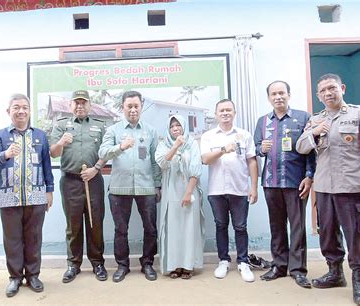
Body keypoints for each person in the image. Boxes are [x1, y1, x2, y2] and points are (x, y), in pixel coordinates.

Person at [297, 73, 360, 305]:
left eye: (332, 88)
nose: (328, 93)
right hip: (323, 187)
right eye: (322, 91)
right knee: (328, 233)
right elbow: (301, 147)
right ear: (318, 95)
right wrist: (314, 132)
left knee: (356, 236)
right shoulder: (315, 119)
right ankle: (335, 273)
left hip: (352, 186)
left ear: (341, 88)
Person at [0, 93, 54, 298]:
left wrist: (49, 190)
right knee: (12, 239)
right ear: (9, 111)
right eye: (16, 107)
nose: (21, 111)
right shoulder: (0, 136)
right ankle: (15, 277)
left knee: (33, 237)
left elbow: (46, 165)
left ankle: (33, 275)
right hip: (9, 197)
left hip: (36, 195)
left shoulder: (40, 135)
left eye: (25, 107)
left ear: (29, 111)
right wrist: (5, 154)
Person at [254, 80, 316, 289]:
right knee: (276, 226)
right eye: (274, 94)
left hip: (296, 182)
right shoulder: (262, 122)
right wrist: (261, 148)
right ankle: (279, 266)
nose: (278, 97)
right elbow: (255, 149)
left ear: (289, 94)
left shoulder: (303, 118)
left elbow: (311, 149)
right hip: (271, 182)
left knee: (297, 227)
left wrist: (309, 176)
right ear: (269, 98)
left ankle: (298, 270)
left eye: (282, 93)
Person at [99, 90, 161, 283]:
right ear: (123, 108)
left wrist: (157, 185)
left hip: (147, 187)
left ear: (141, 107)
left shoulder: (150, 131)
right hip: (119, 189)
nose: (133, 110)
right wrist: (121, 147)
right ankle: (122, 266)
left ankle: (148, 263)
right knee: (121, 229)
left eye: (136, 106)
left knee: (150, 228)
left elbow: (155, 161)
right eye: (129, 106)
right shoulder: (113, 130)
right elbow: (103, 152)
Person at [50, 90, 107, 283]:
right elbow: (53, 153)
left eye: (84, 102)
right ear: (70, 106)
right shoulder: (60, 126)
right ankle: (73, 264)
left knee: (95, 223)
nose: (80, 106)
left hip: (93, 180)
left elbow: (106, 152)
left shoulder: (99, 126)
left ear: (90, 105)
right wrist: (61, 142)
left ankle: (98, 263)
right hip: (70, 182)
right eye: (77, 102)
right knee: (73, 225)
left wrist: (96, 169)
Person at [200, 99, 258, 283]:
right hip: (216, 190)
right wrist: (224, 149)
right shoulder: (209, 136)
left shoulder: (244, 135)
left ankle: (243, 262)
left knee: (241, 227)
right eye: (221, 111)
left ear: (234, 112)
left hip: (239, 188)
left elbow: (251, 161)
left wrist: (254, 187)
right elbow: (205, 159)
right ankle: (223, 260)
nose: (225, 113)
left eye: (228, 110)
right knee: (221, 226)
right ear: (216, 114)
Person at [155, 115, 204, 279]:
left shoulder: (193, 144)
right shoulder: (163, 144)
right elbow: (162, 162)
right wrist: (175, 146)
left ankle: (188, 266)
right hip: (171, 191)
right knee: (173, 229)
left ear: (184, 127)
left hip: (189, 190)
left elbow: (196, 169)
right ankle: (174, 265)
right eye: (172, 127)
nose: (175, 129)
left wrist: (188, 192)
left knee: (188, 228)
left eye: (178, 125)